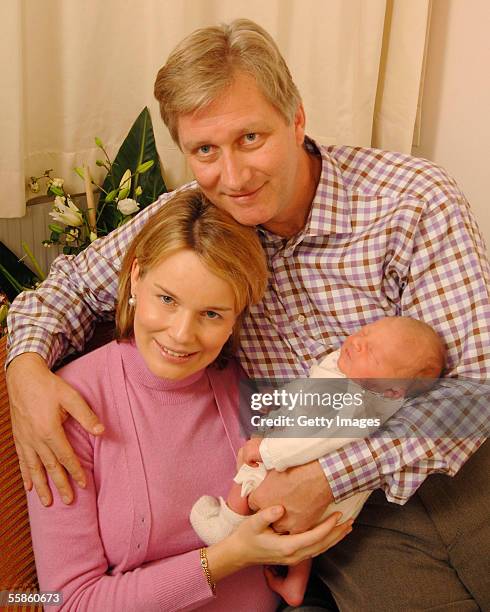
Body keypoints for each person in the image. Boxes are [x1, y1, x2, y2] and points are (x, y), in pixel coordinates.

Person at [7, 18, 490, 611]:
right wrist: (25, 368)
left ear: (297, 119)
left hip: (462, 468)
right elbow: (66, 291)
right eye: (204, 150)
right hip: (352, 530)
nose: (231, 178)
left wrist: (329, 477)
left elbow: (470, 396)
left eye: (251, 139)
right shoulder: (192, 223)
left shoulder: (413, 200)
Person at [26, 188, 353, 611]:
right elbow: (68, 602)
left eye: (212, 313)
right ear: (137, 277)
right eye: (167, 299)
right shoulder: (71, 403)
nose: (182, 335)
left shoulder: (246, 380)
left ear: (238, 313)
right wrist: (230, 557)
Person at [190, 316, 446, 606]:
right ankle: (296, 583)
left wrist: (267, 451)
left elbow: (312, 442)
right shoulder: (360, 382)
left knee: (250, 471)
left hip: (311, 483)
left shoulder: (353, 401)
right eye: (364, 332)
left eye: (371, 352)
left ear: (393, 390)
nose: (358, 342)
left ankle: (224, 527)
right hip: (326, 515)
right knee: (304, 536)